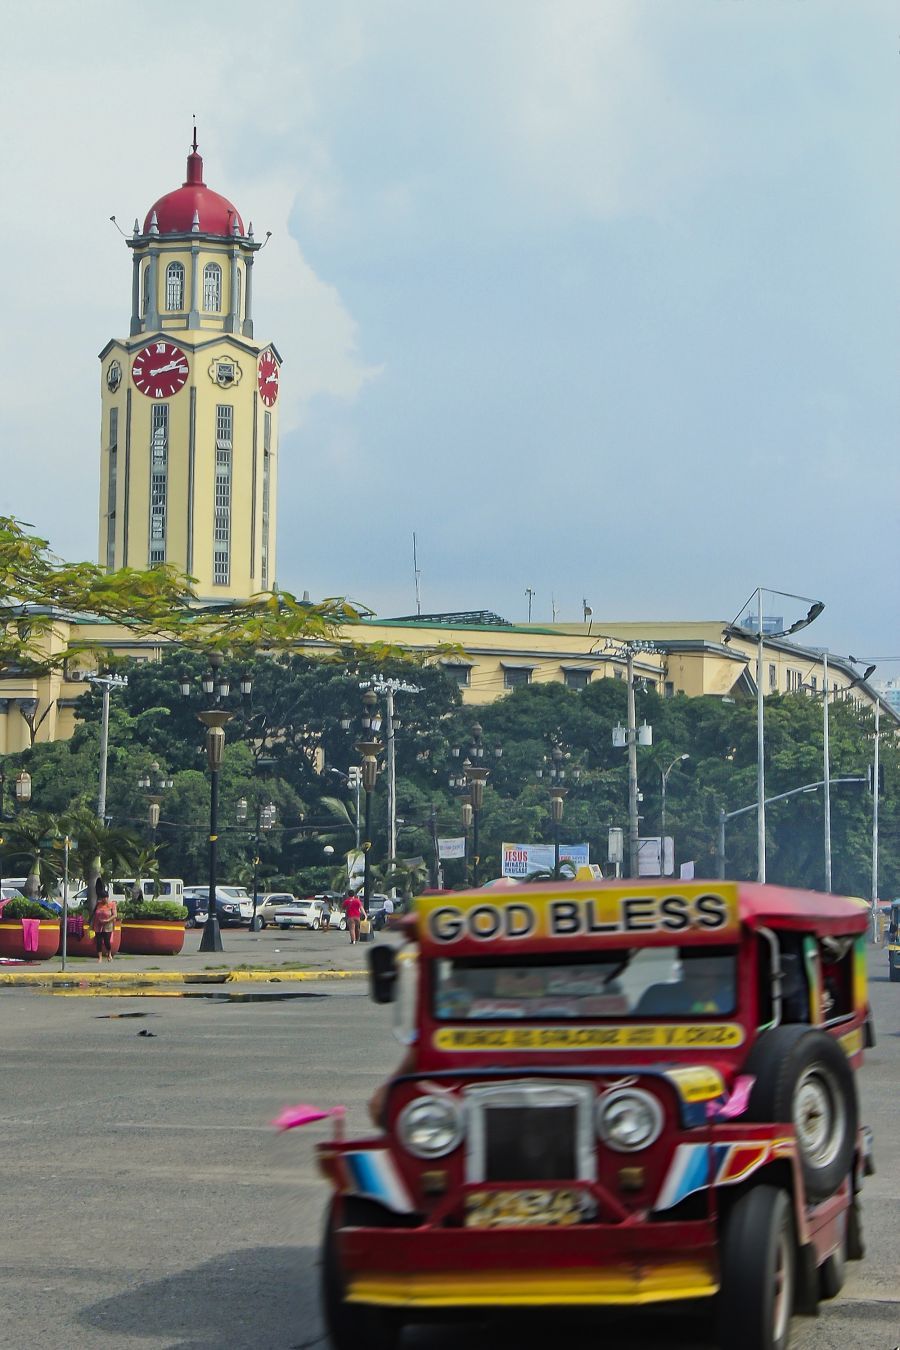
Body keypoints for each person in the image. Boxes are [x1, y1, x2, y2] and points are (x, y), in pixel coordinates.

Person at [93, 883, 117, 963]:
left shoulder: (112, 904)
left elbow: (115, 915)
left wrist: (107, 920)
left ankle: (109, 954)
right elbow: (94, 914)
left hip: (108, 925)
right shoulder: (98, 905)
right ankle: (99, 957)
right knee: (98, 942)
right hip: (98, 925)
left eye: (106, 898)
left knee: (107, 941)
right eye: (103, 898)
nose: (104, 899)